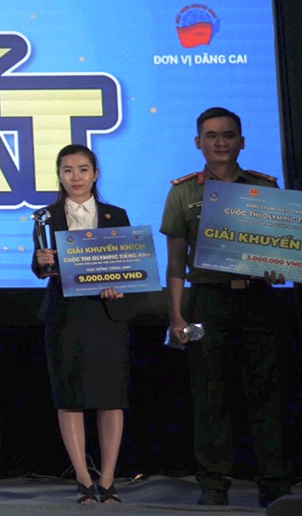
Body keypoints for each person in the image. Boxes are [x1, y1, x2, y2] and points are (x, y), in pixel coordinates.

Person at [160, 107, 293, 508]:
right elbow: (175, 264)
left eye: (228, 135)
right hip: (207, 301)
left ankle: (274, 483)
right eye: (212, 136)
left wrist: (279, 269)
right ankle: (214, 483)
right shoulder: (184, 192)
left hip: (257, 300)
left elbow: (282, 252)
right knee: (209, 394)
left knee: (266, 394)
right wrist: (177, 315)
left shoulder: (265, 188)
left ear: (242, 142)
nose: (220, 142)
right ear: (198, 142)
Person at [32, 144, 133, 505]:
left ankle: (107, 479)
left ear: (95, 174)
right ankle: (83, 479)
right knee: (70, 398)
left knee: (111, 397)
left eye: (83, 169)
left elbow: (128, 263)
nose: (75, 177)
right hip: (66, 316)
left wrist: (118, 283)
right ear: (59, 175)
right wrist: (42, 260)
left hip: (106, 315)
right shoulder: (46, 216)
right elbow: (41, 268)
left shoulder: (115, 215)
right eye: (67, 170)